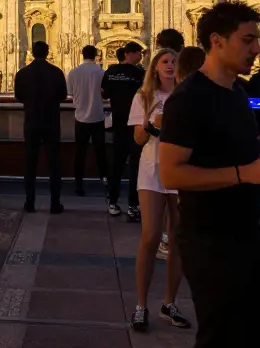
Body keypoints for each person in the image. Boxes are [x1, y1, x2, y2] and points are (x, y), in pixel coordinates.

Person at [159, 1, 260, 348]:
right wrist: (245, 173)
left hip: (247, 233)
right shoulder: (188, 99)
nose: (257, 49)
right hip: (209, 241)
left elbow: (226, 147)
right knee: (223, 338)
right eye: (248, 39)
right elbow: (171, 174)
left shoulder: (237, 91)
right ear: (217, 41)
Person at [128, 48, 191, 332]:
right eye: (164, 61)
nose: (170, 65)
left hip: (180, 171)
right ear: (154, 68)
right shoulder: (144, 97)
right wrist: (151, 123)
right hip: (152, 169)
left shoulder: (187, 97)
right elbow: (139, 139)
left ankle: (169, 303)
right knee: (150, 235)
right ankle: (141, 305)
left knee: (178, 238)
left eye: (174, 62)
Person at [14, 40, 68, 213]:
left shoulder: (22, 73)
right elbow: (63, 95)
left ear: (32, 53)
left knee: (30, 164)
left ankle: (29, 203)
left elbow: (18, 96)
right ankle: (55, 203)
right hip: (51, 122)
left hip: (31, 122)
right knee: (54, 164)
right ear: (47, 52)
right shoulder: (56, 72)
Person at [102, 41, 145, 220]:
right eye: (139, 53)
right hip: (136, 126)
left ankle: (112, 203)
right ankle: (133, 206)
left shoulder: (111, 72)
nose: (141, 56)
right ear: (131, 53)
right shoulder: (140, 73)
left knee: (116, 167)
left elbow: (104, 93)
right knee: (135, 167)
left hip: (119, 124)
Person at [67, 45, 108, 197]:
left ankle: (78, 184)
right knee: (101, 151)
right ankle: (105, 179)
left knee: (80, 152)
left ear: (82, 55)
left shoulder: (73, 73)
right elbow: (105, 94)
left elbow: (70, 94)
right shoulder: (102, 73)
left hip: (80, 118)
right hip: (98, 116)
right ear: (96, 55)